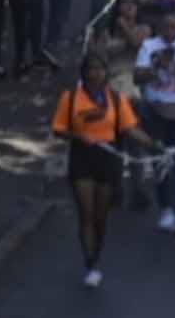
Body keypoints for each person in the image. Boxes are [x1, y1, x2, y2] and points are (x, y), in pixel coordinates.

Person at [51, 52, 161, 286]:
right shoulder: (70, 98)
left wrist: (154, 145)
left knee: (101, 215)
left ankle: (97, 255)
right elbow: (58, 129)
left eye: (99, 69)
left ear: (105, 73)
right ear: (84, 72)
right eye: (90, 69)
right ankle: (89, 262)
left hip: (109, 159)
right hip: (82, 158)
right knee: (86, 213)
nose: (94, 73)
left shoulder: (116, 99)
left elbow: (130, 129)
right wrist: (78, 136)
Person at [135, 10, 175, 231]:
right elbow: (137, 77)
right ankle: (166, 209)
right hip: (155, 109)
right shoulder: (149, 46)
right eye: (166, 27)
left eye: (174, 26)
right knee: (161, 160)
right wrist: (156, 67)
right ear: (160, 28)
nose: (170, 31)